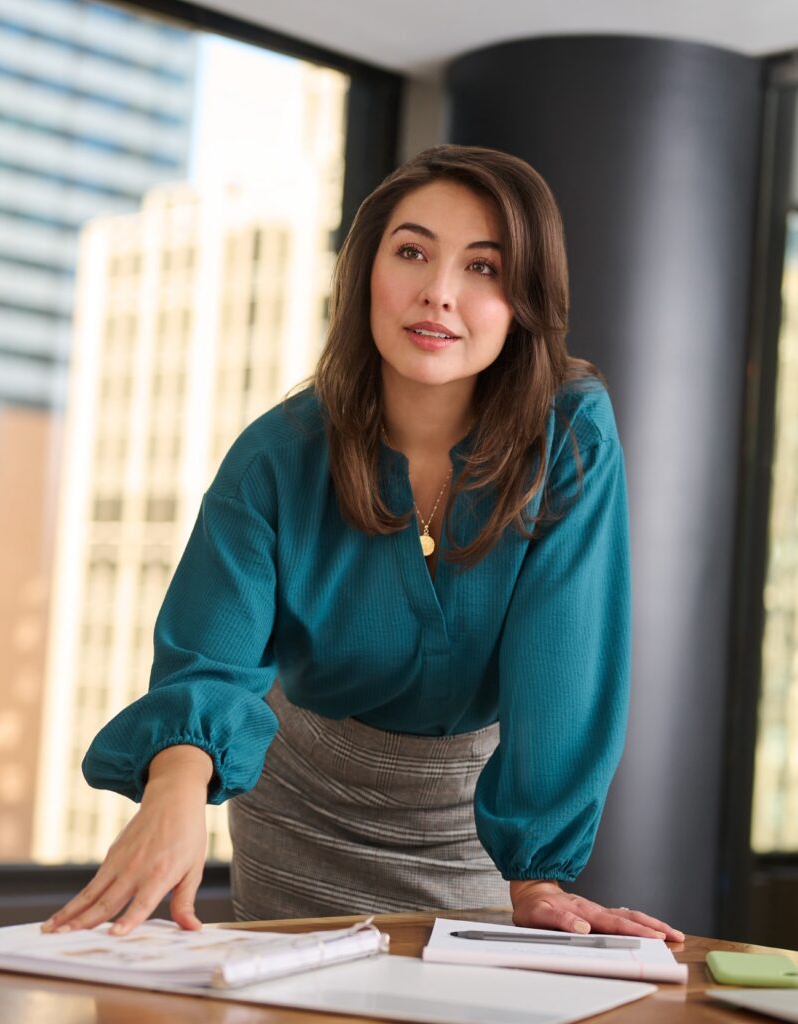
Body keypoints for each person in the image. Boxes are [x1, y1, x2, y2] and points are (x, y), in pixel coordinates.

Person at [43, 144, 683, 942]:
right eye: (411, 252)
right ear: (364, 273)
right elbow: (212, 655)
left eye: (483, 268)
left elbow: (565, 657)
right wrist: (176, 784)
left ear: (524, 299)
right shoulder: (276, 456)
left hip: (471, 820)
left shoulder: (569, 435)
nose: (438, 294)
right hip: (304, 804)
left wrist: (536, 872)